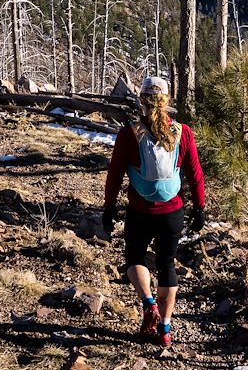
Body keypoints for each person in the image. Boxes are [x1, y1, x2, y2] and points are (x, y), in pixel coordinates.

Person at [102, 76, 205, 346]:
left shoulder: (129, 134)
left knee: (134, 258)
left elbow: (114, 175)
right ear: (166, 101)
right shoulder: (183, 132)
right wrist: (200, 207)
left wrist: (109, 208)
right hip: (172, 213)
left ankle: (149, 304)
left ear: (141, 100)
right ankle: (166, 329)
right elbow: (195, 174)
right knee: (167, 264)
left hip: (140, 210)